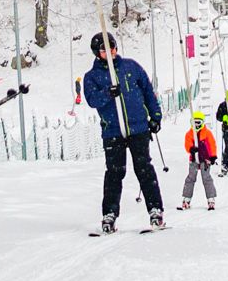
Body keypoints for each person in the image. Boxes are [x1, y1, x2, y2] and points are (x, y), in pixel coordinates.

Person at [82, 31, 165, 233]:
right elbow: (92, 100)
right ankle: (109, 214)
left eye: (112, 48)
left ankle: (155, 210)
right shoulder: (92, 77)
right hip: (112, 131)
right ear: (97, 52)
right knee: (114, 172)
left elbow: (147, 92)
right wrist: (107, 93)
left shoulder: (131, 67)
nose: (110, 52)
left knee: (144, 168)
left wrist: (155, 116)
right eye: (104, 50)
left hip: (138, 128)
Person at [180, 112, 218, 211]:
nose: (196, 125)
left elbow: (212, 144)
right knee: (191, 177)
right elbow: (187, 144)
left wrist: (213, 156)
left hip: (205, 159)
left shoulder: (207, 133)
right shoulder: (189, 134)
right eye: (194, 123)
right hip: (194, 159)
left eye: (198, 123)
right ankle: (186, 198)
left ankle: (211, 199)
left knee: (206, 178)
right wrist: (191, 149)